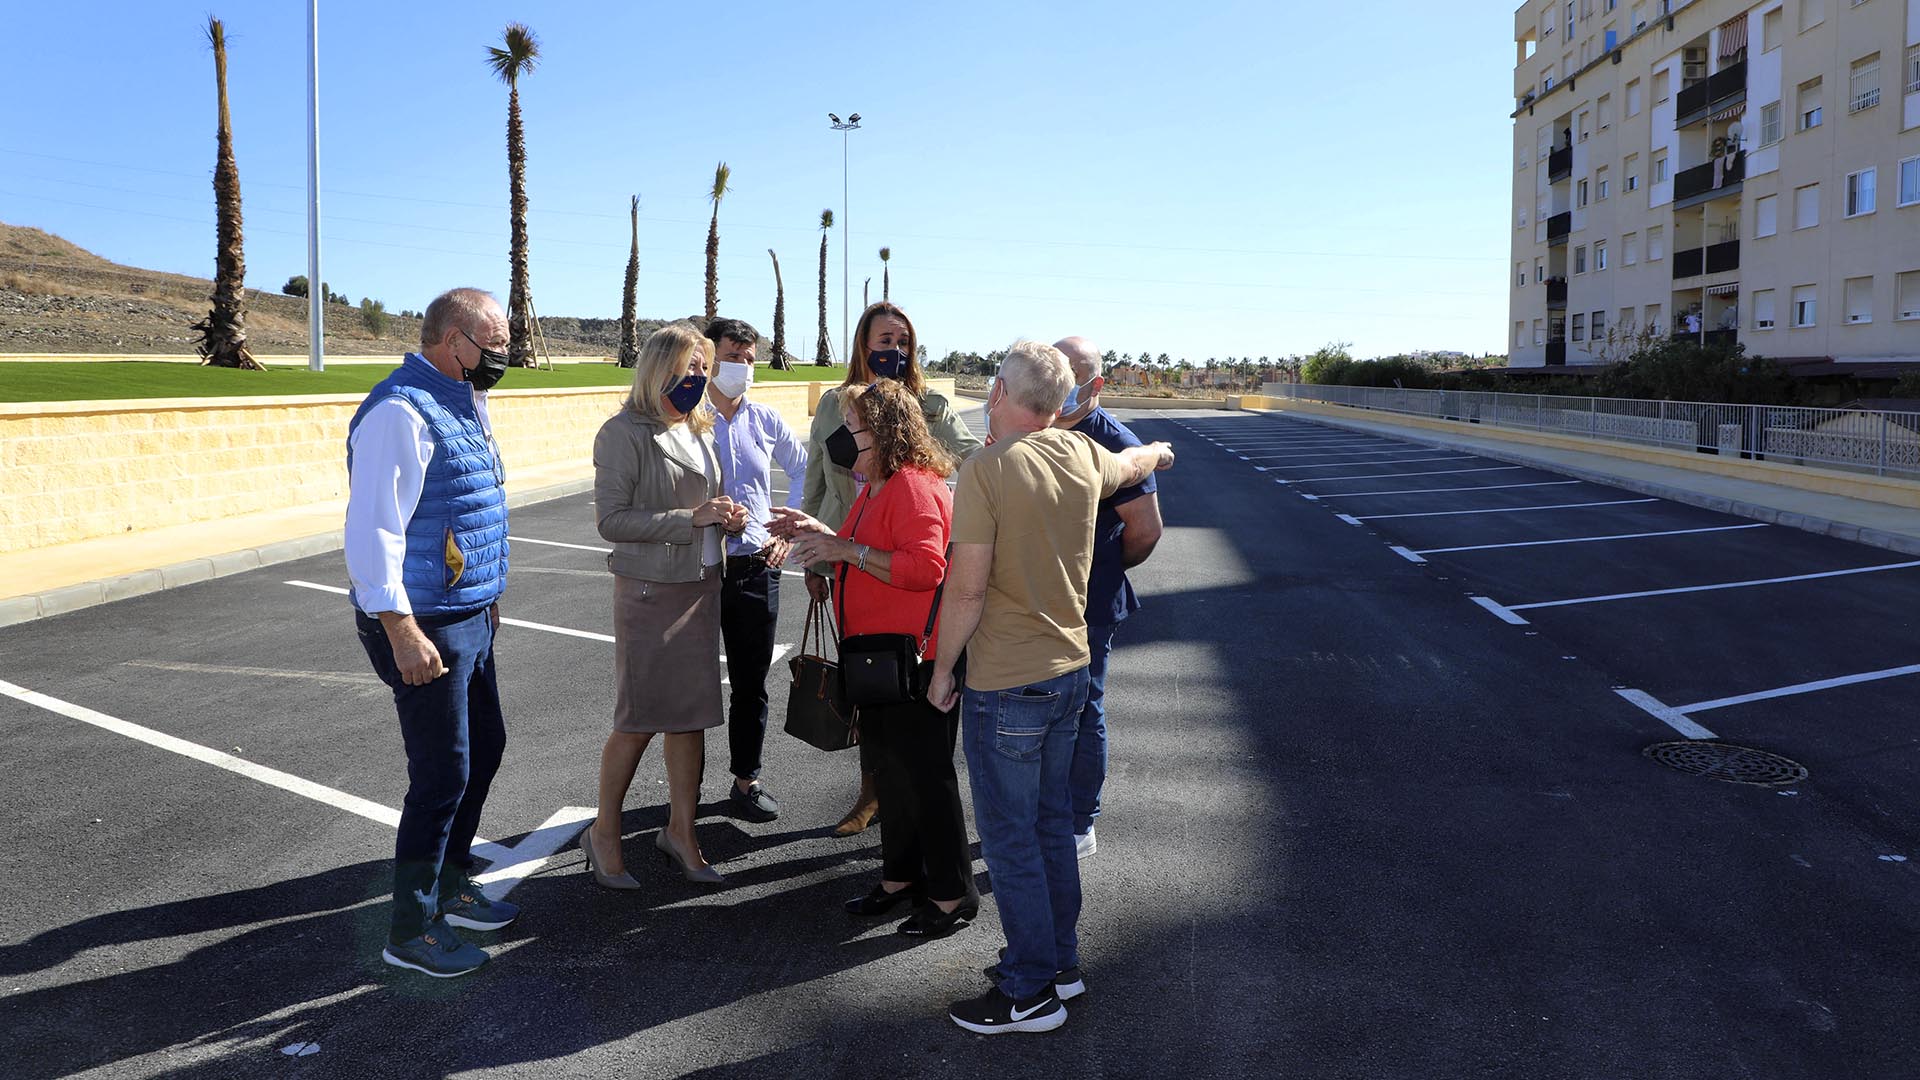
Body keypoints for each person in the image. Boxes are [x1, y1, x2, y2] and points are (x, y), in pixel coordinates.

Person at [928, 341, 1173, 1034]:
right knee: (1050, 833)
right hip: (1070, 673)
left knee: (1010, 842)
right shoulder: (1079, 454)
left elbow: (966, 589)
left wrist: (944, 669)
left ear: (1005, 392)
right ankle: (1060, 966)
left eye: (993, 385)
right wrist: (1160, 450)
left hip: (1007, 682)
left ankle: (1028, 991)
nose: (987, 396)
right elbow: (1134, 463)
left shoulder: (986, 470)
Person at [346, 287, 518, 978]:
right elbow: (373, 531)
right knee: (441, 775)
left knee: (486, 748)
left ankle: (449, 884)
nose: (503, 356)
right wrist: (400, 629)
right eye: (494, 344)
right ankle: (410, 930)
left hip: (468, 613)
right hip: (422, 623)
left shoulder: (463, 399)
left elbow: (467, 511)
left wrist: (487, 596)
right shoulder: (398, 411)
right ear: (454, 340)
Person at [771, 380, 976, 936]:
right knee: (891, 773)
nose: (844, 436)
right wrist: (819, 534)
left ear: (882, 430)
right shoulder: (877, 484)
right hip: (878, 659)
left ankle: (953, 893)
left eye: (853, 425)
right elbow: (861, 551)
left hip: (914, 661)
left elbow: (925, 568)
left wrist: (845, 550)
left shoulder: (912, 485)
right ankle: (901, 877)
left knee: (926, 778)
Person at [802, 301, 982, 836]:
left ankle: (914, 814)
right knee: (867, 684)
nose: (896, 353)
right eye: (885, 342)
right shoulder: (836, 407)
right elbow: (816, 483)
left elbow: (974, 460)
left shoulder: (930, 407)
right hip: (848, 556)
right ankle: (871, 793)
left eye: (904, 343)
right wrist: (814, 559)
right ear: (863, 345)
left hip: (899, 563)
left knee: (909, 687)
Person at [581, 323, 749, 890]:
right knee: (640, 719)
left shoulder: (699, 427)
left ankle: (682, 831)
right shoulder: (622, 433)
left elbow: (704, 506)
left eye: (703, 369)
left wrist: (728, 518)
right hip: (650, 596)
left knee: (691, 718)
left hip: (700, 588)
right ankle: (605, 834)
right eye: (689, 369)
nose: (698, 379)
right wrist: (690, 520)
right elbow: (612, 521)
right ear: (658, 371)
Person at [1050, 337, 1164, 860]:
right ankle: (1047, 807)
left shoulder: (1117, 442)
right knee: (1043, 707)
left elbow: (1145, 531)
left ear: (1094, 384)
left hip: (1090, 602)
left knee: (1083, 707)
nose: (1060, 384)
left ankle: (1079, 820)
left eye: (1071, 375)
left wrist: (1105, 568)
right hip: (1039, 599)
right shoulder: (1041, 427)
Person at [703, 317, 808, 823]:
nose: (742, 366)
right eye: (733, 355)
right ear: (708, 355)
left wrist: (785, 530)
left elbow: (803, 467)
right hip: (698, 571)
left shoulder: (765, 419)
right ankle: (684, 797)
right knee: (689, 686)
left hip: (756, 567)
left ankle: (746, 780)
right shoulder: (688, 416)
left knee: (750, 682)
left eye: (749, 358)